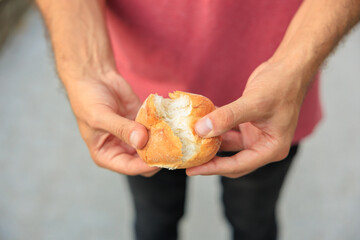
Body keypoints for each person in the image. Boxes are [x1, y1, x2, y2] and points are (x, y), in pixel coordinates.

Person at [36, 0, 360, 239]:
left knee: (254, 223)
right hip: (134, 108)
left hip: (272, 104)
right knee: (154, 221)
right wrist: (84, 65)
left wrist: (295, 66)